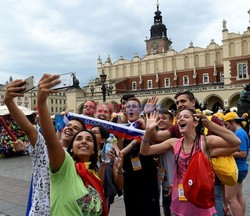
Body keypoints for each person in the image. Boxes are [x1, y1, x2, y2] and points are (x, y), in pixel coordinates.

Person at [4, 79, 86, 216]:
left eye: (76, 128)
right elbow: (29, 129)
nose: (70, 128)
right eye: (69, 125)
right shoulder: (43, 148)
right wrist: (9, 102)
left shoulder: (80, 159)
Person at [140, 109, 240, 216]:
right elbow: (145, 151)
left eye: (186, 117)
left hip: (201, 205)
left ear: (195, 123)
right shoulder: (174, 143)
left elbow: (236, 142)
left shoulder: (205, 142)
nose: (181, 119)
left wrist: (210, 125)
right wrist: (148, 131)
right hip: (179, 204)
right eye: (179, 117)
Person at [37, 74, 108, 216]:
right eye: (79, 138)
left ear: (95, 150)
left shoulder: (94, 175)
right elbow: (51, 140)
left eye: (89, 139)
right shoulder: (65, 165)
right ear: (72, 148)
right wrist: (42, 102)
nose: (83, 141)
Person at [120, 97, 161, 216]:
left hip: (147, 175)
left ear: (139, 110)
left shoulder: (147, 125)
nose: (131, 109)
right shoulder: (122, 128)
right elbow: (119, 153)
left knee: (149, 209)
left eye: (134, 106)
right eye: (128, 107)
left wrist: (146, 128)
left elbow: (156, 145)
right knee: (132, 209)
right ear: (125, 111)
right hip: (129, 177)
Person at [91, 125, 123, 211]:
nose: (91, 134)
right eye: (90, 132)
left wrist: (119, 169)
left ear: (102, 140)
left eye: (95, 132)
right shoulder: (82, 155)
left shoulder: (108, 158)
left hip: (102, 201)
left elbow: (119, 186)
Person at [223, 112, 249, 216]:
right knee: (239, 196)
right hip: (242, 168)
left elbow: (243, 153)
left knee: (230, 198)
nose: (227, 127)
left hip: (237, 168)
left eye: (227, 124)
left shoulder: (238, 134)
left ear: (232, 122)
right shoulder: (242, 132)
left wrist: (225, 153)